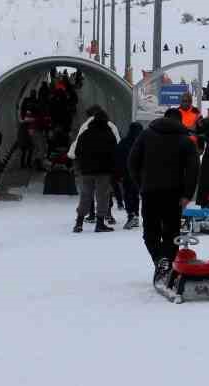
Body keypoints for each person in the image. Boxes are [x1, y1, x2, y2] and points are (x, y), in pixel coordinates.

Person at [127, 107, 200, 272]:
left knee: (150, 232)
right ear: (180, 121)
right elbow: (193, 169)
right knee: (171, 232)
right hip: (174, 194)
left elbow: (132, 162)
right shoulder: (186, 140)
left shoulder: (145, 135)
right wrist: (187, 194)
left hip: (150, 192)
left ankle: (160, 260)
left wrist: (141, 184)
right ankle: (166, 263)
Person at [71, 105, 119, 233]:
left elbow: (78, 151)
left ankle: (79, 222)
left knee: (85, 195)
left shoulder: (85, 134)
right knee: (102, 196)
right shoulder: (109, 134)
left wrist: (83, 165)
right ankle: (99, 223)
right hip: (104, 172)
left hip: (86, 171)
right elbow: (115, 152)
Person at [114, 120, 144, 229]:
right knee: (137, 195)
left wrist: (118, 173)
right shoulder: (143, 142)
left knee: (128, 194)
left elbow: (118, 159)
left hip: (127, 173)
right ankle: (136, 214)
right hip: (141, 174)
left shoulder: (124, 142)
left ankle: (131, 214)